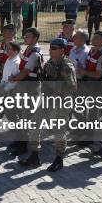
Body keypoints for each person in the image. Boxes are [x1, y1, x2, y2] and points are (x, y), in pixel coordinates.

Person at [40, 38, 77, 171]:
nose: (51, 50)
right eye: (50, 48)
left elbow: (72, 87)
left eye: (54, 48)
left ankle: (59, 158)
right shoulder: (50, 62)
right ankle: (34, 154)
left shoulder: (66, 66)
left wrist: (56, 90)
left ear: (62, 50)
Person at [12, 28, 44, 165]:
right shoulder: (28, 49)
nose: (25, 38)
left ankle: (26, 147)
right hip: (24, 86)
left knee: (27, 117)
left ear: (35, 38)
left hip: (30, 88)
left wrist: (14, 79)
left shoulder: (35, 53)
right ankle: (21, 142)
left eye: (28, 36)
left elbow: (25, 71)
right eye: (25, 36)